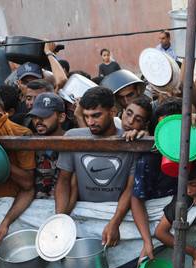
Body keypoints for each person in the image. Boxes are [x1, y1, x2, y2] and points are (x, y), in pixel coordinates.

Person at [55, 86, 136, 247]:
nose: (90, 122)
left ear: (113, 111)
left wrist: (115, 222)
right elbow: (63, 181)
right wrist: (59, 220)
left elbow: (131, 188)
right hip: (83, 213)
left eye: (96, 115)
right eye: (86, 116)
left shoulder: (130, 140)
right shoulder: (73, 138)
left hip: (119, 213)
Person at [0, 91, 35, 246]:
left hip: (14, 206)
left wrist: (0, 157)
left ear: (6, 113)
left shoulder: (21, 134)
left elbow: (28, 186)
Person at [153, 157, 196, 260]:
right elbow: (160, 233)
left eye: (194, 185)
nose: (188, 190)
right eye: (185, 184)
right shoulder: (183, 199)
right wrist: (193, 251)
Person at [28, 92, 77, 200]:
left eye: (45, 116)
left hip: (65, 204)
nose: (38, 121)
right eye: (34, 117)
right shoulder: (30, 141)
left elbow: (74, 186)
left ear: (61, 117)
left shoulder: (72, 140)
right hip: (34, 206)